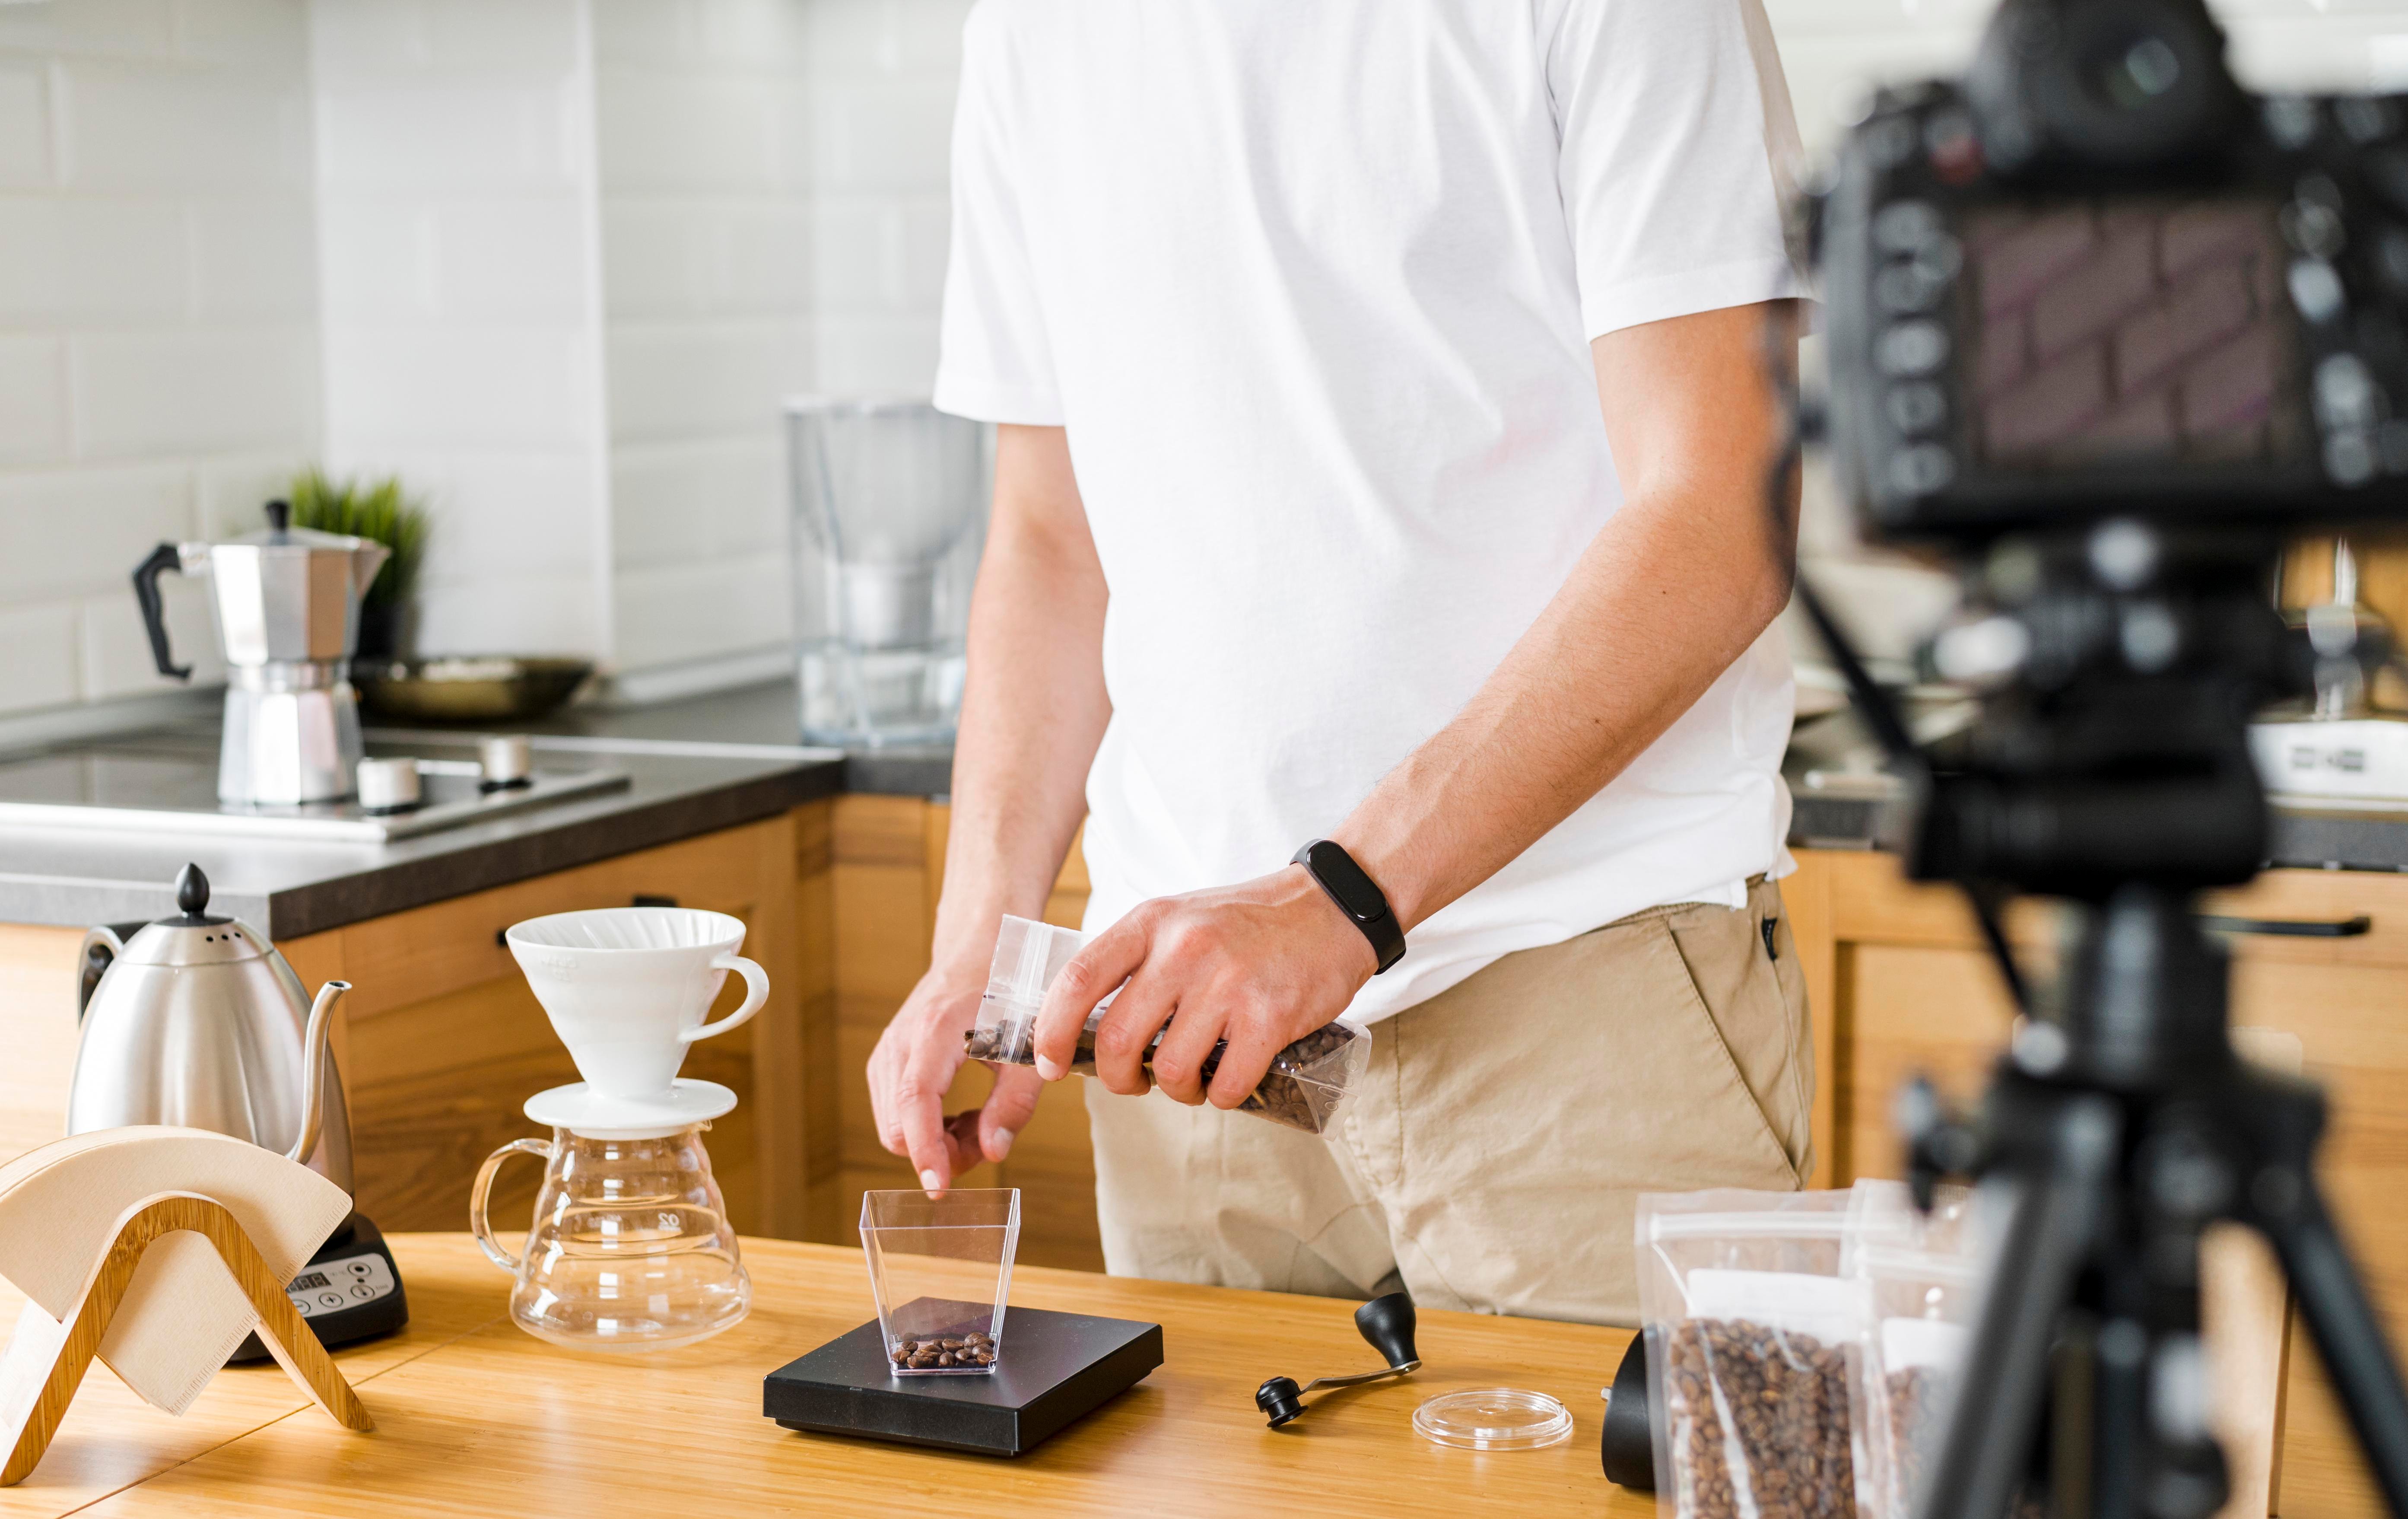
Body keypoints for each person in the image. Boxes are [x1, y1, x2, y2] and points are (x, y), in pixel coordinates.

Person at [867, 0, 1814, 1326]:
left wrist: (1337, 901)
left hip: (1580, 987)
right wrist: (983, 945)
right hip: (1181, 1037)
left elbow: (1721, 513)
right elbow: (1049, 535)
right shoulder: (1031, 24)